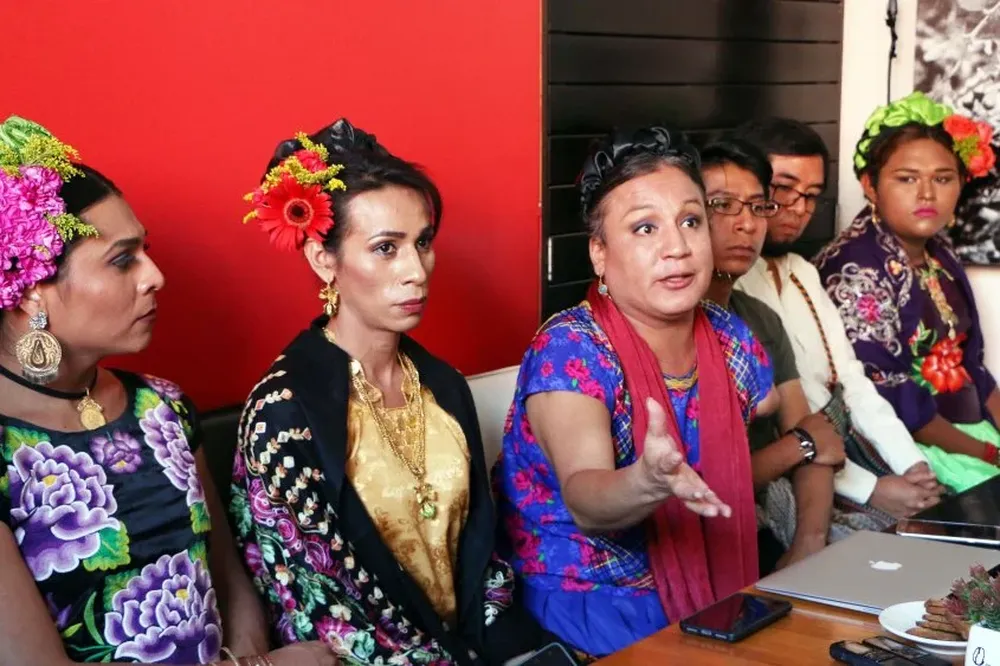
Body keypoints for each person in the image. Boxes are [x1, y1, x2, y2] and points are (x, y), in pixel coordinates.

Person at [0, 116, 334, 666]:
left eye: (145, 251)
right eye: (123, 259)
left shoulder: (163, 407)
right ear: (32, 292)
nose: (155, 275)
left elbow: (228, 575)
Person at [231, 119, 554, 666]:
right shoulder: (283, 413)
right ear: (323, 259)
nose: (417, 271)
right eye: (386, 248)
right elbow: (317, 607)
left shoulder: (444, 386)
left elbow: (482, 561)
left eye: (422, 243)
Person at [493, 126, 779, 659]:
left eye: (690, 221)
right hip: (592, 592)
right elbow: (586, 498)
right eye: (644, 228)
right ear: (599, 253)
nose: (677, 247)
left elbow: (770, 404)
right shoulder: (571, 349)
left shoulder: (729, 336)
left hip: (715, 574)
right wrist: (648, 481)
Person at [732, 118, 944, 528]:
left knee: (940, 514)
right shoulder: (733, 285)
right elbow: (795, 417)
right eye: (783, 190)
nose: (798, 209)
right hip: (801, 464)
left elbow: (850, 380)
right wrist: (873, 490)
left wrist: (912, 465)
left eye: (810, 196)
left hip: (845, 444)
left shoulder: (801, 271)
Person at [814, 91, 1000, 493]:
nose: (927, 194)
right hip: (909, 447)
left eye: (943, 178)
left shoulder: (938, 251)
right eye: (907, 179)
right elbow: (893, 399)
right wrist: (990, 455)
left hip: (970, 435)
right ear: (870, 184)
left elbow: (974, 367)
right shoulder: (855, 268)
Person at [699, 138, 839, 572]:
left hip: (776, 518)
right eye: (723, 205)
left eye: (757, 206)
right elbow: (700, 486)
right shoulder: (667, 325)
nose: (746, 224)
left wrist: (808, 546)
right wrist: (795, 447)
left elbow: (821, 442)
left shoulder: (759, 318)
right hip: (705, 531)